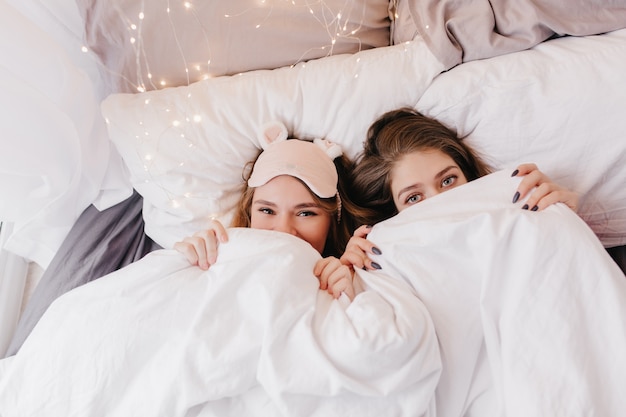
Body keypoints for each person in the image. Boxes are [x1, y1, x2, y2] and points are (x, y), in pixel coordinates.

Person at [340, 107, 580, 271]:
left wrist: (566, 220)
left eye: (447, 181)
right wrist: (357, 277)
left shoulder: (522, 218)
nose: (441, 202)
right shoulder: (390, 261)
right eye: (414, 197)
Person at [174, 121, 364, 300]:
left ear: (333, 221)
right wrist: (189, 262)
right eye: (267, 210)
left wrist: (350, 293)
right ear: (249, 213)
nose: (283, 230)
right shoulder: (219, 259)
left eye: (305, 213)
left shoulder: (349, 280)